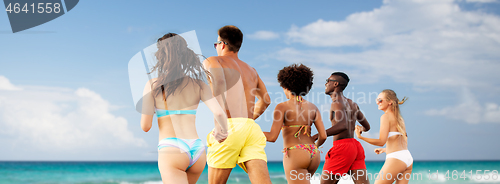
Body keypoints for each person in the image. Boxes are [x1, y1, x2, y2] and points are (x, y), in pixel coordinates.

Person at [139, 33, 228, 184]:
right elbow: (219, 112)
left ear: (161, 56)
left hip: (172, 149)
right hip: (197, 150)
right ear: (185, 54)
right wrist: (222, 132)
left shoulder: (153, 85)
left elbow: (145, 126)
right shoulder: (199, 84)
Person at [203, 25, 272, 184]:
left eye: (216, 44)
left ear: (222, 44)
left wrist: (219, 124)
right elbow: (266, 100)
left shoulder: (213, 61)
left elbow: (219, 82)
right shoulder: (252, 70)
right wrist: (247, 120)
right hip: (251, 129)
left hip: (228, 124)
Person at [263, 64, 327, 184]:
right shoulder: (313, 107)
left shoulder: (282, 107)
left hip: (295, 154)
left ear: (285, 85)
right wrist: (314, 147)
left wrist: (250, 131)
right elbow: (323, 136)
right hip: (314, 153)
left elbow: (272, 137)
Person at [312, 72, 371, 184]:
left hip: (342, 148)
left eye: (328, 80)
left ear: (336, 84)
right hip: (355, 147)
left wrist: (316, 136)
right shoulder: (352, 104)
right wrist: (359, 130)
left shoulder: (337, 102)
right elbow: (367, 127)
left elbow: (342, 125)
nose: (326, 83)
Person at [355, 89, 412, 184]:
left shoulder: (385, 117)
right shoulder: (400, 119)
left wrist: (360, 137)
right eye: (377, 100)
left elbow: (381, 141)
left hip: (396, 158)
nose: (377, 102)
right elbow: (404, 141)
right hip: (407, 158)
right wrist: (385, 150)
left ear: (390, 102)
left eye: (380, 100)